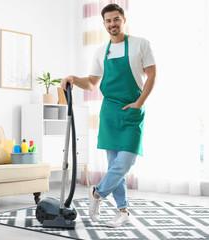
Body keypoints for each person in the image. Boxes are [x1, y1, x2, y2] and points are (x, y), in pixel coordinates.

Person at [61, 3, 156, 228]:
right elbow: (92, 82)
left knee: (125, 162)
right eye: (108, 21)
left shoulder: (140, 44)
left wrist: (139, 103)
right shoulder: (100, 51)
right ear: (103, 24)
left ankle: (97, 194)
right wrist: (74, 78)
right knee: (115, 164)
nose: (112, 24)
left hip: (132, 110)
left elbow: (152, 75)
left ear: (124, 20)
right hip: (110, 113)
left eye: (116, 19)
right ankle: (123, 211)